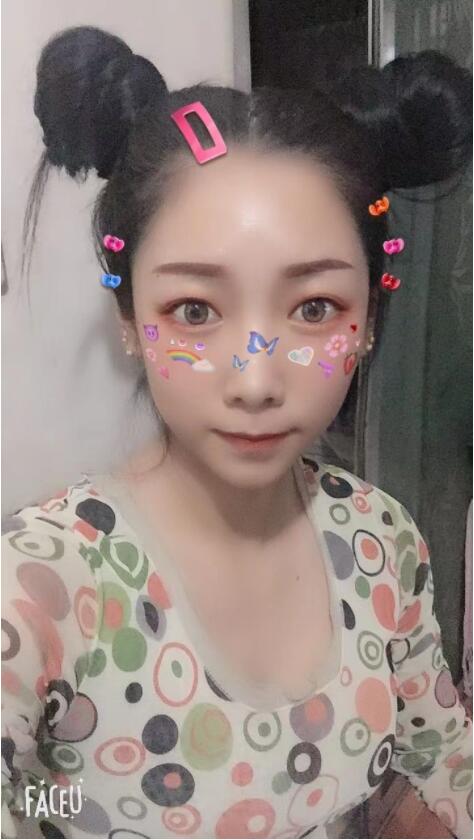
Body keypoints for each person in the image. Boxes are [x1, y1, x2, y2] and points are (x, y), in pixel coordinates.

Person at [2, 25, 472, 840]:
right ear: (129, 318)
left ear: (367, 320)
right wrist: (75, 812)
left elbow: (437, 758)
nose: (256, 382)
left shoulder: (381, 540)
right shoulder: (38, 584)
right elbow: (19, 801)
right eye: (194, 310)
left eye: (315, 308)